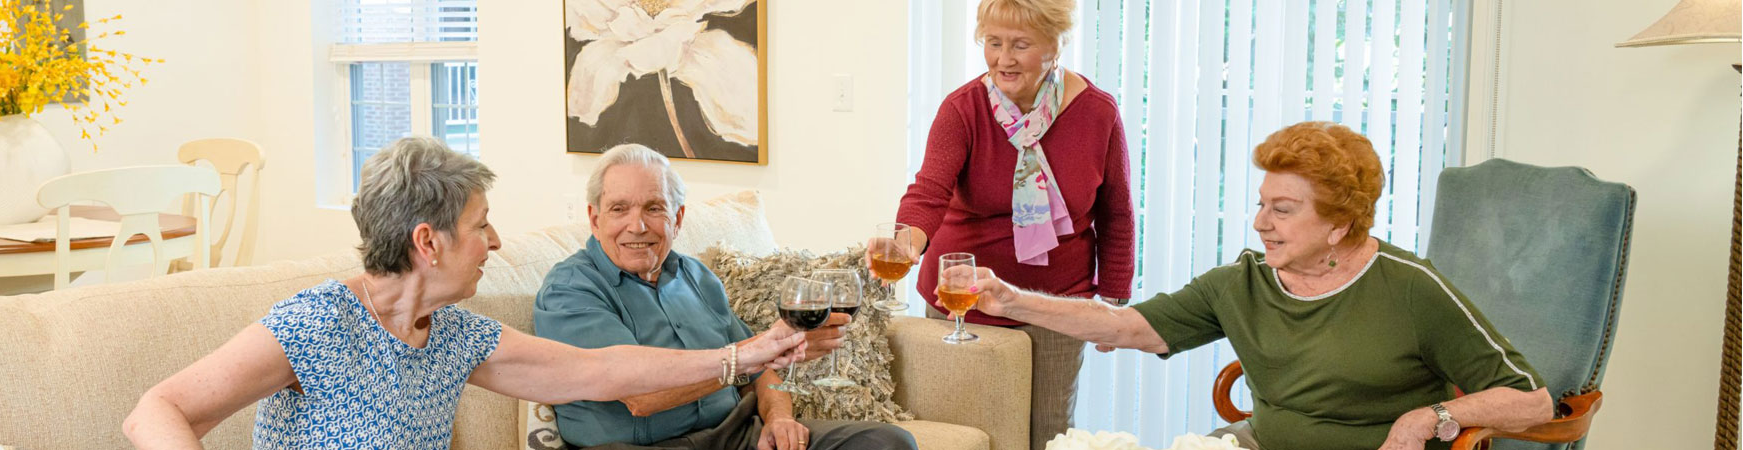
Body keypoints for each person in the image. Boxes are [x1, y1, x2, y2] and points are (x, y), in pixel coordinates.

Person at [122, 137, 808, 449]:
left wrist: (743, 357)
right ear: (430, 242)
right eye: (481, 226)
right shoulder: (319, 323)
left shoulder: (454, 335)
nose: (498, 242)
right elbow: (157, 411)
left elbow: (601, 371)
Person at [957, 122, 1554, 450]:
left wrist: (1427, 417)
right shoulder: (1242, 283)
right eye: (1261, 204)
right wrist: (1012, 298)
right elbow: (1124, 327)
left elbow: (1532, 400)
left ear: (1340, 222)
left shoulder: (1411, 289)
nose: (1261, 222)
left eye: (1284, 209)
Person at [536, 144, 917, 450]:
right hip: (634, 445)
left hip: (734, 434)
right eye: (620, 209)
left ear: (678, 218)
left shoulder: (698, 277)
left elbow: (762, 367)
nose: (637, 225)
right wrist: (752, 356)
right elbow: (640, 395)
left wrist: (778, 419)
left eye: (654, 208)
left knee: (888, 441)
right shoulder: (570, 289)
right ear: (595, 218)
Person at [877, 0, 1133, 448]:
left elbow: (1117, 213)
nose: (1003, 59)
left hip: (1056, 303)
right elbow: (929, 190)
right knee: (962, 430)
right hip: (963, 296)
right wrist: (907, 242)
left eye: (1020, 45)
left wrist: (1111, 305)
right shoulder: (962, 109)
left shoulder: (1098, 113)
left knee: (1046, 433)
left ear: (1056, 45)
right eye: (993, 43)